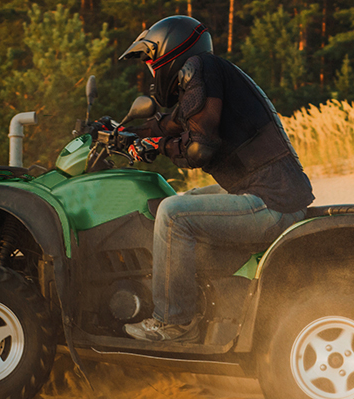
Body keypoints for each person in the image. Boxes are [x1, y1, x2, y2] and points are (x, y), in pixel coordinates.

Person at [117, 15, 314, 342]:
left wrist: (157, 146)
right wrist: (119, 131)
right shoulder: (210, 78)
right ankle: (202, 303)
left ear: (170, 49)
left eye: (152, 61)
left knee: (172, 215)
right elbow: (167, 125)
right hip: (272, 195)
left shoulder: (200, 68)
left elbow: (199, 149)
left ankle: (173, 322)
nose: (151, 70)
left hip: (272, 202)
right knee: (184, 201)